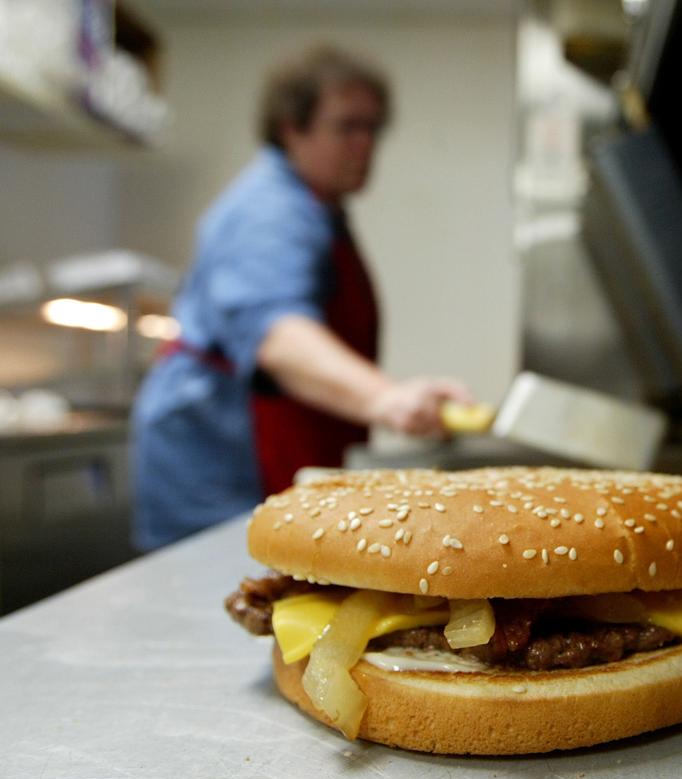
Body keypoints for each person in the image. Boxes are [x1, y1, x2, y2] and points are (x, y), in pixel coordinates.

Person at [131, 45, 470, 551]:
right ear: (292, 127)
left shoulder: (319, 211)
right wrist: (388, 398)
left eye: (373, 129)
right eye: (347, 127)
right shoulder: (271, 210)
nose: (365, 145)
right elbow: (279, 337)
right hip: (217, 459)